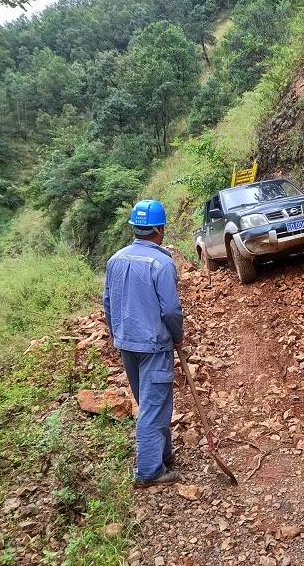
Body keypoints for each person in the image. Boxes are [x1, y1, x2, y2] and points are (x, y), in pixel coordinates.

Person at [103, 199, 183, 487]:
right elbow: (171, 310)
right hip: (154, 345)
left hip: (127, 343)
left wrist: (118, 335)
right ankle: (150, 471)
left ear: (135, 229)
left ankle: (163, 454)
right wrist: (178, 336)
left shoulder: (115, 260)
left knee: (148, 402)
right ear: (159, 229)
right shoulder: (161, 262)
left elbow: (108, 303)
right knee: (153, 405)